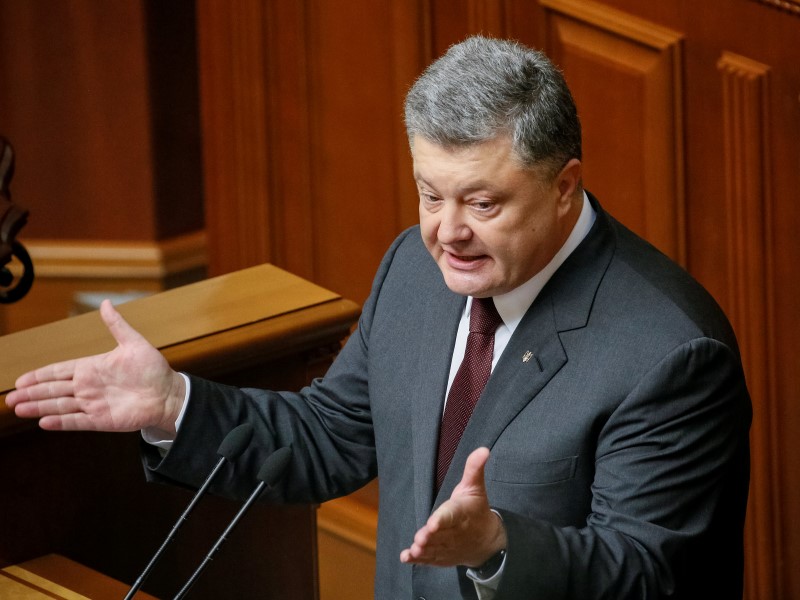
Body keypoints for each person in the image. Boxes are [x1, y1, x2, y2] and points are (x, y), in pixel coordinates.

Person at [5, 36, 751, 599]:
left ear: (565, 187)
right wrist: (177, 405)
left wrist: (498, 547)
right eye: (430, 194)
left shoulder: (670, 354)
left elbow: (651, 576)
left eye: (482, 203)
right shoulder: (417, 273)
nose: (447, 232)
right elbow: (332, 435)